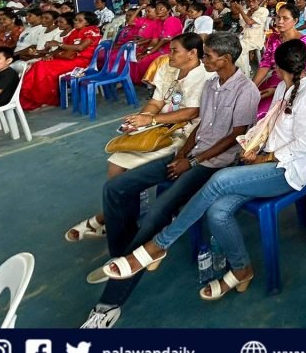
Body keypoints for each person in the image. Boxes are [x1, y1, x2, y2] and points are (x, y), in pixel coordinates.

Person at [100, 39, 306, 300]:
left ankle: (158, 245)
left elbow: (301, 146)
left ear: (279, 67)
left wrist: (263, 158)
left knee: (219, 180)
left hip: (287, 171)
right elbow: (267, 127)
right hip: (265, 160)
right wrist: (251, 144)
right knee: (217, 212)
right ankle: (242, 270)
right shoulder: (284, 89)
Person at [80, 32, 259, 328]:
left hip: (211, 166)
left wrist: (191, 162)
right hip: (191, 155)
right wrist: (184, 155)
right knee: (116, 187)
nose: (205, 59)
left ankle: (108, 304)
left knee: (158, 214)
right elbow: (199, 129)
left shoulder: (246, 90)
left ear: (225, 59)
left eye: (209, 55)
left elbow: (233, 138)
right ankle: (122, 254)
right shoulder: (212, 84)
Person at [65, 33, 211, 243]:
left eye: (174, 50)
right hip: (159, 125)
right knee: (115, 161)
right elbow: (156, 100)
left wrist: (152, 121)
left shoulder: (204, 75)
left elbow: (191, 112)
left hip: (182, 134)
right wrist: (142, 118)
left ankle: (109, 219)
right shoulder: (167, 68)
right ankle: (118, 218)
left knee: (124, 175)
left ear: (192, 53)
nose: (169, 54)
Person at [19, 12, 101, 111]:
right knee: (39, 64)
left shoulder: (92, 30)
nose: (75, 22)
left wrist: (58, 43)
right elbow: (62, 48)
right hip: (69, 58)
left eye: (80, 20)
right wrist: (50, 55)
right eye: (75, 19)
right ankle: (31, 99)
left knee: (44, 68)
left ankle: (46, 100)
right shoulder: (75, 32)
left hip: (82, 62)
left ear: (87, 22)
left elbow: (80, 47)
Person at [252, 4, 306, 117]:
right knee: (248, 106)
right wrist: (252, 88)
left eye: (285, 18)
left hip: (295, 84)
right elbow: (265, 65)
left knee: (262, 114)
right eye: (278, 17)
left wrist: (279, 91)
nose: (280, 21)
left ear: (295, 21)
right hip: (273, 81)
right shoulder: (273, 39)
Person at [131, 1, 183, 84]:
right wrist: (145, 51)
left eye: (162, 8)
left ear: (168, 11)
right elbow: (155, 40)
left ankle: (151, 83)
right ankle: (144, 82)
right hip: (160, 48)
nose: (159, 10)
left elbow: (164, 40)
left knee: (144, 60)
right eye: (157, 8)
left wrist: (149, 52)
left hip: (171, 49)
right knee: (137, 57)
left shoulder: (172, 20)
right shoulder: (158, 22)